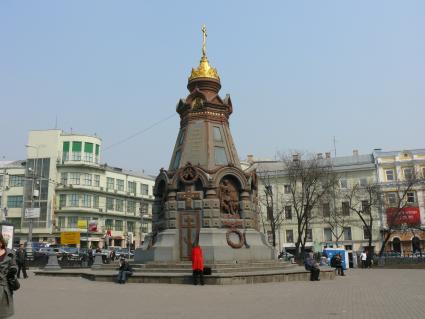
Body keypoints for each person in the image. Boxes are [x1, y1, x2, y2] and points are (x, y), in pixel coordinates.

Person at [0, 233, 18, 319]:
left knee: (3, 314)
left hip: (4, 288)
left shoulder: (10, 253)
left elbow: (14, 266)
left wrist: (13, 270)